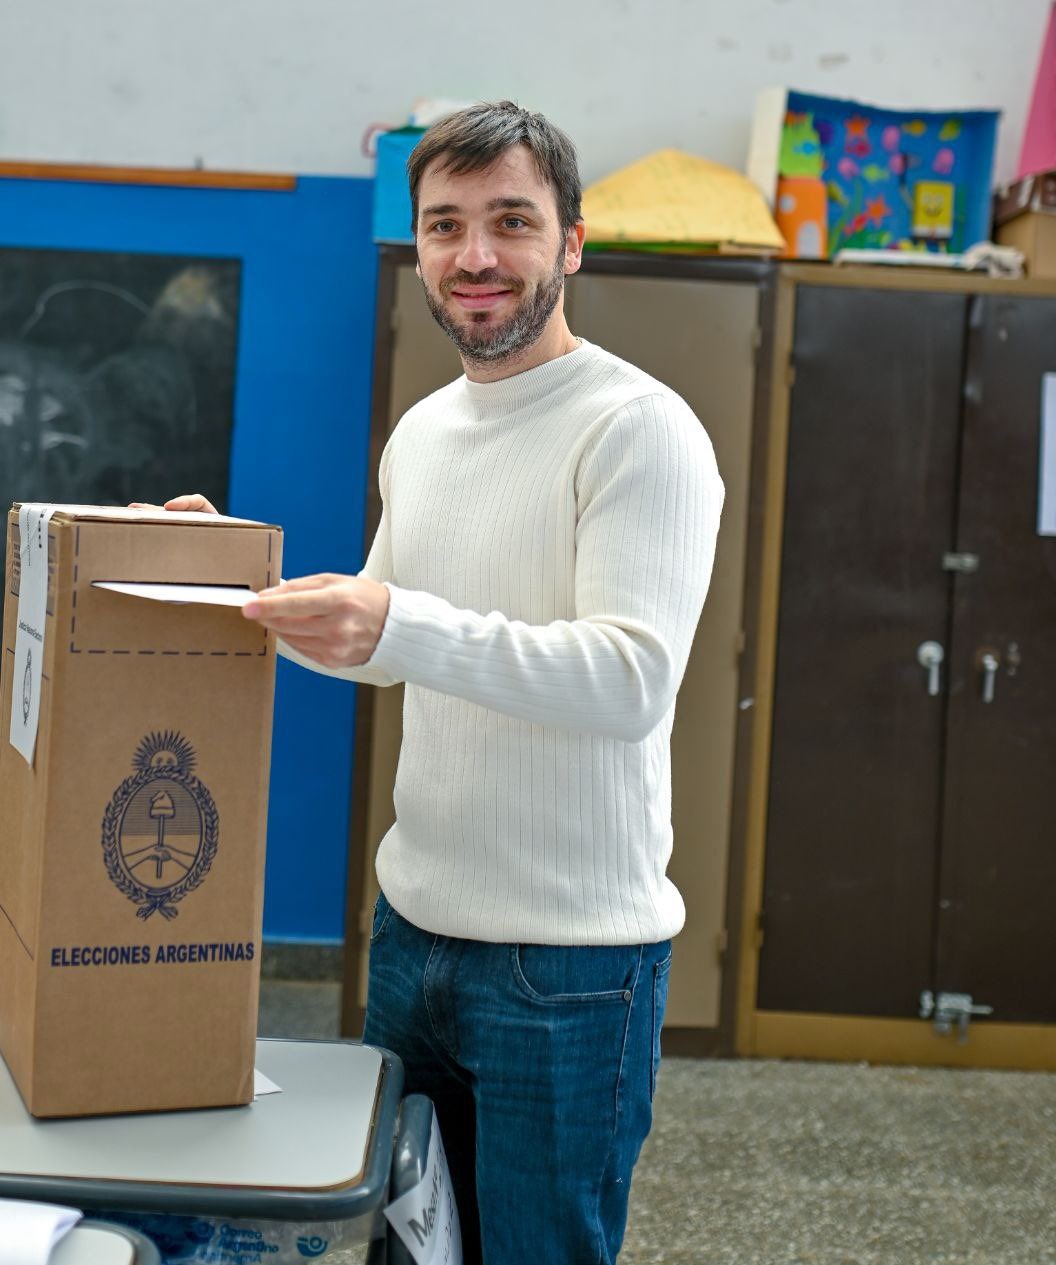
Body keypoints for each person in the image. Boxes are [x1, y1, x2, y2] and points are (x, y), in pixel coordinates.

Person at [153, 101, 724, 1265]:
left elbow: (628, 680)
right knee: (410, 1248)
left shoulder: (637, 429)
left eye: (510, 221)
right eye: (444, 225)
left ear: (571, 243)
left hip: (568, 968)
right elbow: (380, 644)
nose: (473, 256)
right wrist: (225, 588)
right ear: (415, 245)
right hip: (412, 936)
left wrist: (397, 621)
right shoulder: (419, 433)